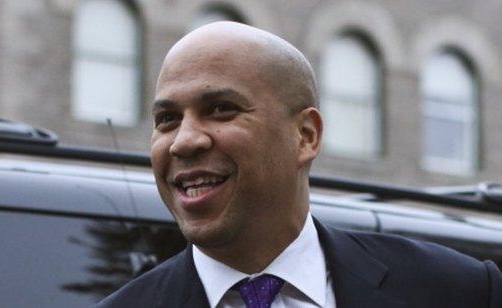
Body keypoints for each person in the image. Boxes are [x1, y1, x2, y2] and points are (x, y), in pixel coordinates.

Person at [95, 22, 501, 308]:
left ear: (305, 135)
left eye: (220, 109)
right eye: (167, 119)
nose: (185, 141)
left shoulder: (457, 290)